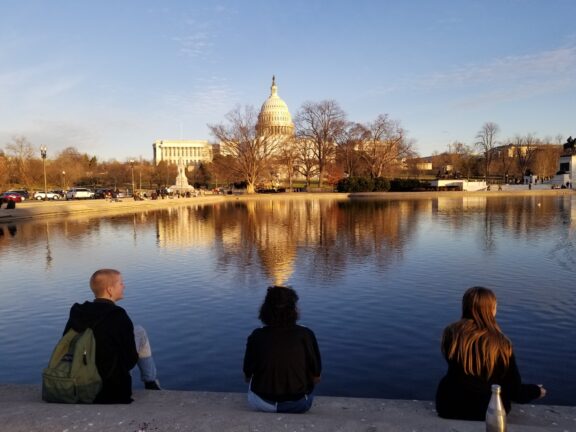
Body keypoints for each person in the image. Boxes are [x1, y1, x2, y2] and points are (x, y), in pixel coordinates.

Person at [435, 286, 546, 420]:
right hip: (488, 410)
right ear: (491, 310)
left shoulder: (451, 333)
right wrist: (535, 391)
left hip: (449, 406)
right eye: (495, 306)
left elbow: (469, 379)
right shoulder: (501, 343)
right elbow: (513, 390)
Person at [63, 269, 161, 404]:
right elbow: (130, 359)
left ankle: (150, 381)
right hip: (110, 390)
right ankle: (151, 382)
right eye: (121, 283)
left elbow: (67, 345)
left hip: (78, 381)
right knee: (139, 332)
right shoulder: (118, 315)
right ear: (110, 290)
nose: (124, 286)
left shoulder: (78, 311)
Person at [243, 286, 322, 413]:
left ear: (265, 309)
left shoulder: (256, 335)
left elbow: (247, 376)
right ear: (294, 309)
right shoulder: (306, 334)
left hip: (262, 404)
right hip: (299, 404)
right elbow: (317, 377)